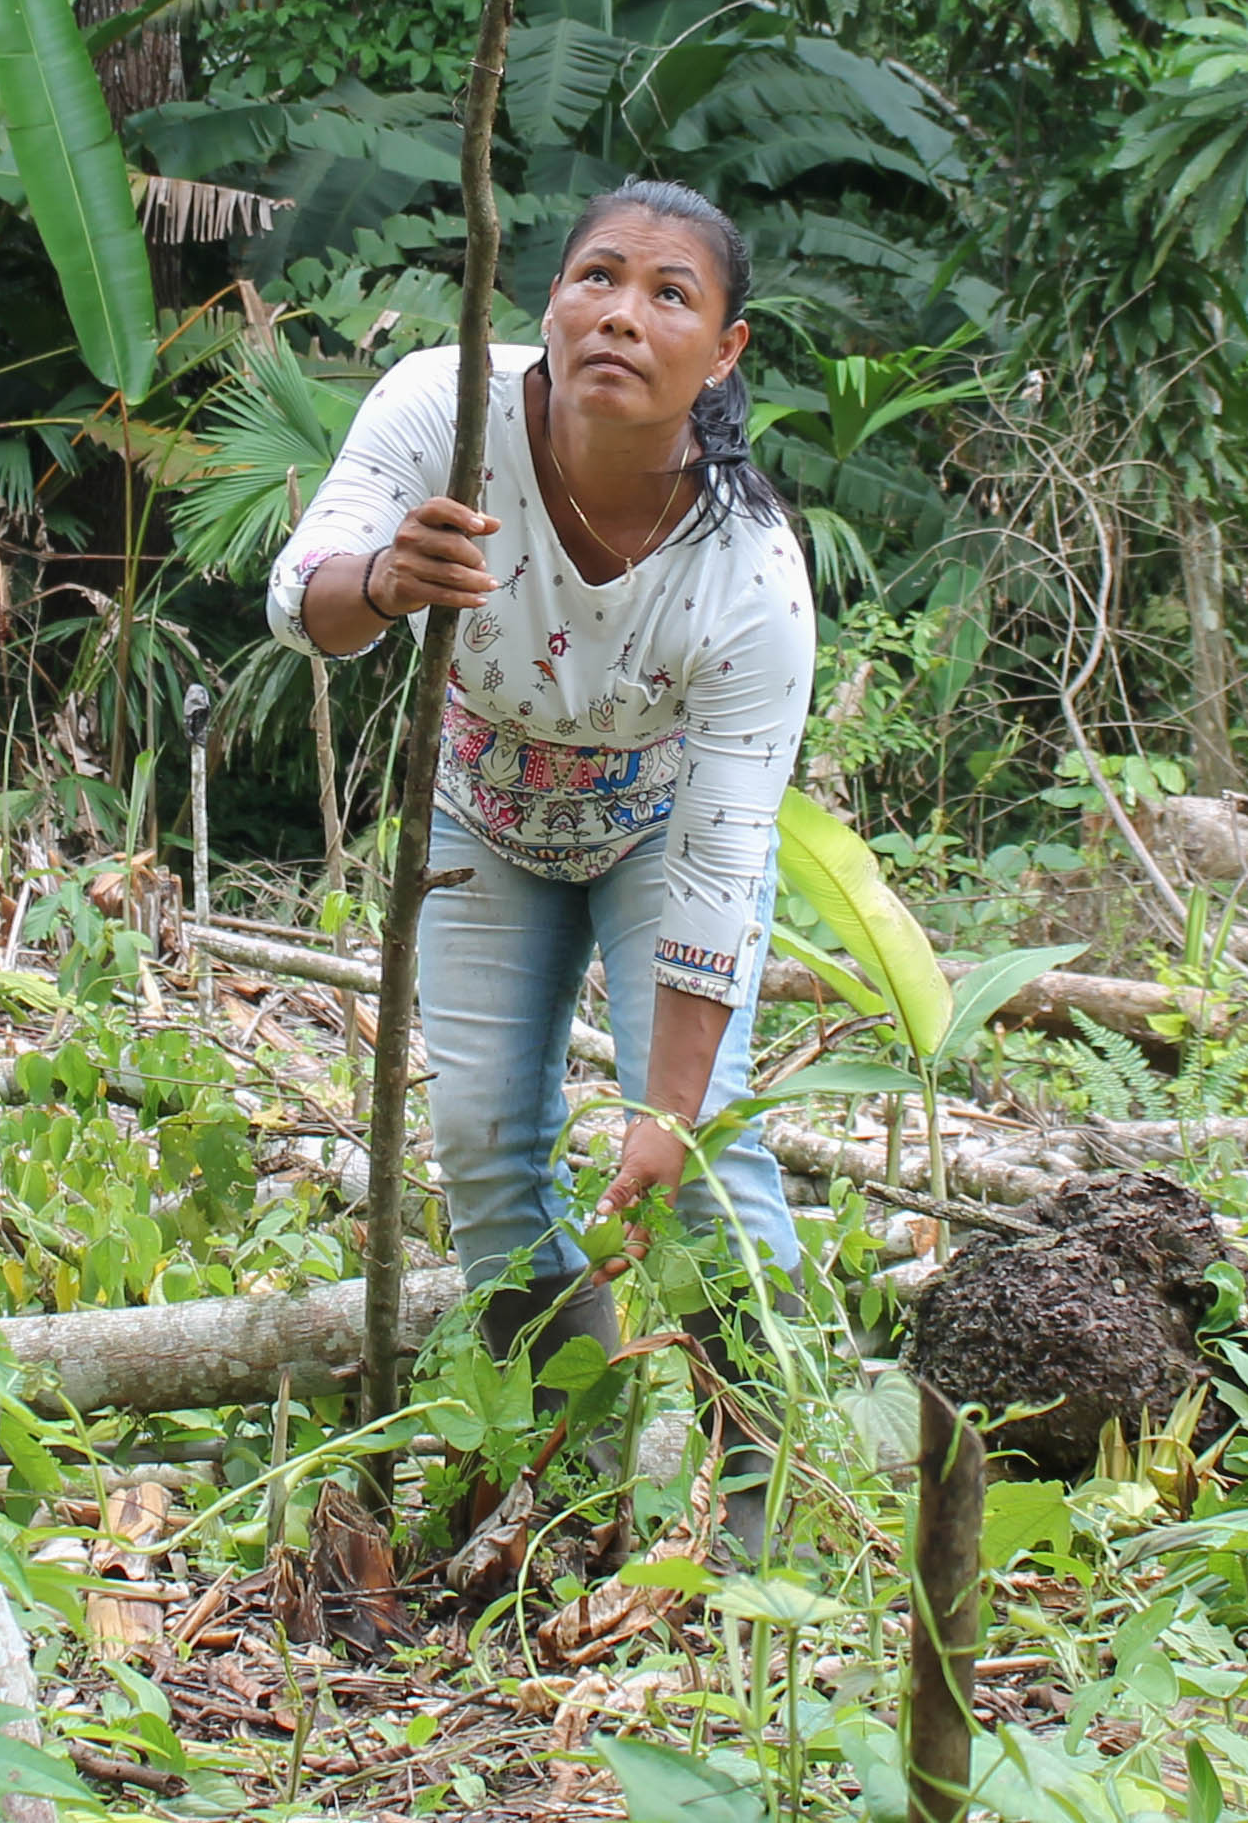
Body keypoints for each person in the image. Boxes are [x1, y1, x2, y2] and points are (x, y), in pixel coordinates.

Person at [269, 178, 816, 1553]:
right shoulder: (437, 411)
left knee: (704, 1165)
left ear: (726, 350)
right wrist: (388, 584)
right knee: (484, 1159)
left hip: (658, 830)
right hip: (482, 812)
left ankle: (763, 1525)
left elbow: (724, 857)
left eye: (670, 294)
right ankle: (567, 1482)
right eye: (597, 278)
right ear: (552, 301)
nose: (623, 314)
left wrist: (665, 1112)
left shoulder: (749, 575)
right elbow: (302, 596)